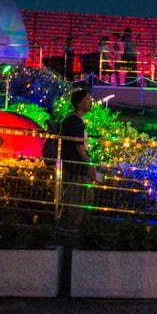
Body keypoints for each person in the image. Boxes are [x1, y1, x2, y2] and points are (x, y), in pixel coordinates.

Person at [57, 85, 95, 224]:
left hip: (75, 167)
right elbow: (79, 146)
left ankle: (71, 226)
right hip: (76, 169)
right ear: (79, 103)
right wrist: (89, 163)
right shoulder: (74, 121)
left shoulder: (73, 119)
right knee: (78, 200)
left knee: (80, 199)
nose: (91, 102)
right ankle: (70, 229)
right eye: (88, 99)